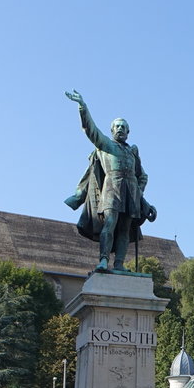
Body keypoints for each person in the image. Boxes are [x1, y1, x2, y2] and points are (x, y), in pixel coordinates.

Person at [64, 90, 158, 271]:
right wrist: (83, 107)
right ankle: (104, 260)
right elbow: (90, 130)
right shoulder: (106, 145)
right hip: (111, 188)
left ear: (128, 132)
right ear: (112, 130)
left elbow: (142, 176)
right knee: (109, 223)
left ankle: (119, 264)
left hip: (131, 192)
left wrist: (140, 194)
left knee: (124, 229)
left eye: (124, 127)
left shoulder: (132, 152)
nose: (121, 129)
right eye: (117, 126)